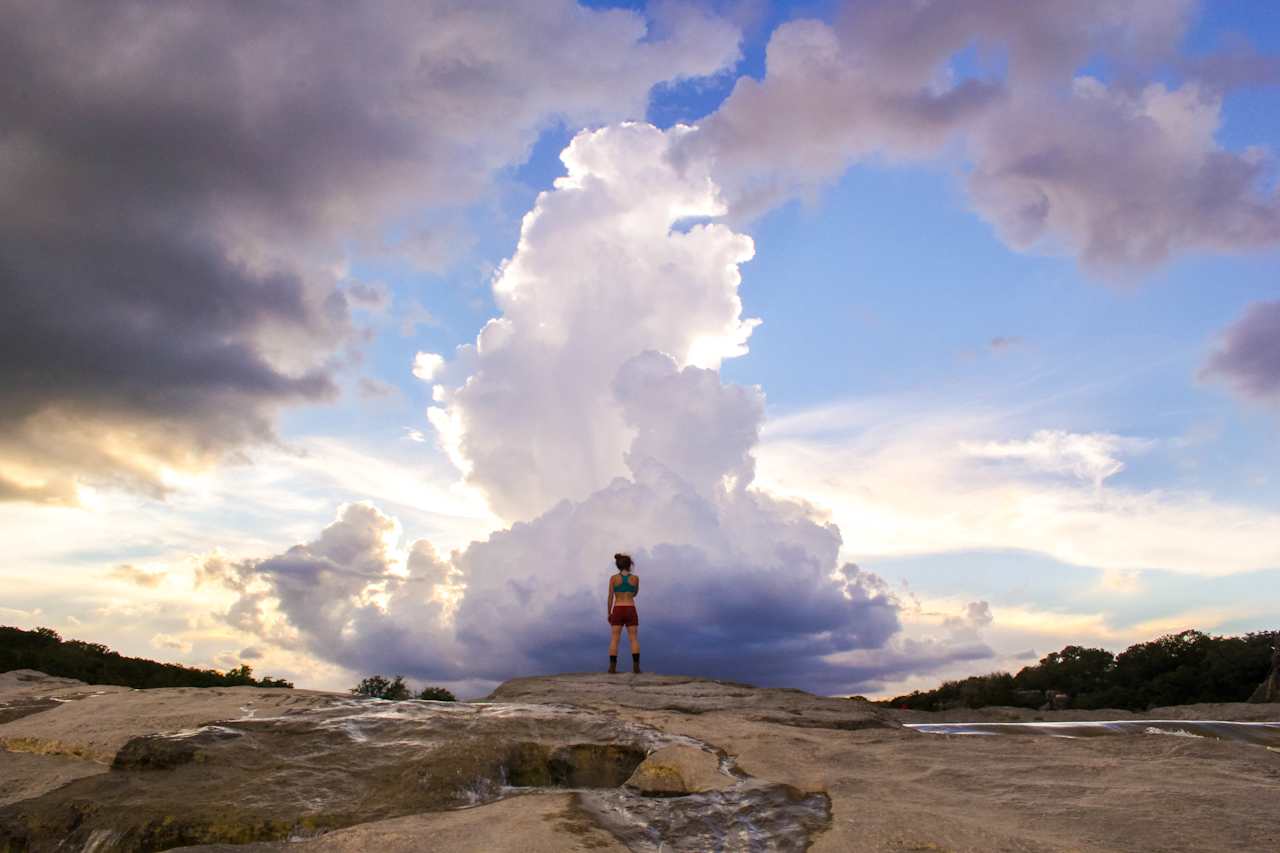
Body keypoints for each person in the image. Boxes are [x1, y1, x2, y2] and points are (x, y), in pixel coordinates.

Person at [606, 552, 640, 674]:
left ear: (618, 565)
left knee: (615, 639)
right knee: (633, 639)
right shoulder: (635, 578)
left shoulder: (613, 578)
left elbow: (610, 597)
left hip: (618, 608)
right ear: (629, 564)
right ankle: (636, 666)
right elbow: (635, 593)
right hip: (630, 608)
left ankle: (612, 667)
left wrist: (609, 612)